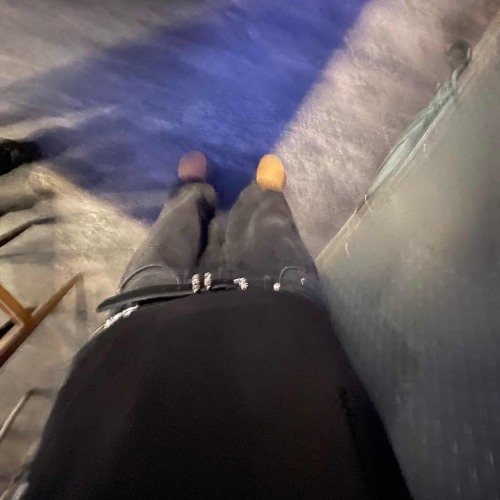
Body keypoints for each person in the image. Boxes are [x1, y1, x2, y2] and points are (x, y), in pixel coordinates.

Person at [21, 152, 410, 499]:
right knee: (269, 230)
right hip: (281, 320)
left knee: (168, 238)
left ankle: (192, 191)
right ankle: (261, 194)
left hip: (139, 331)